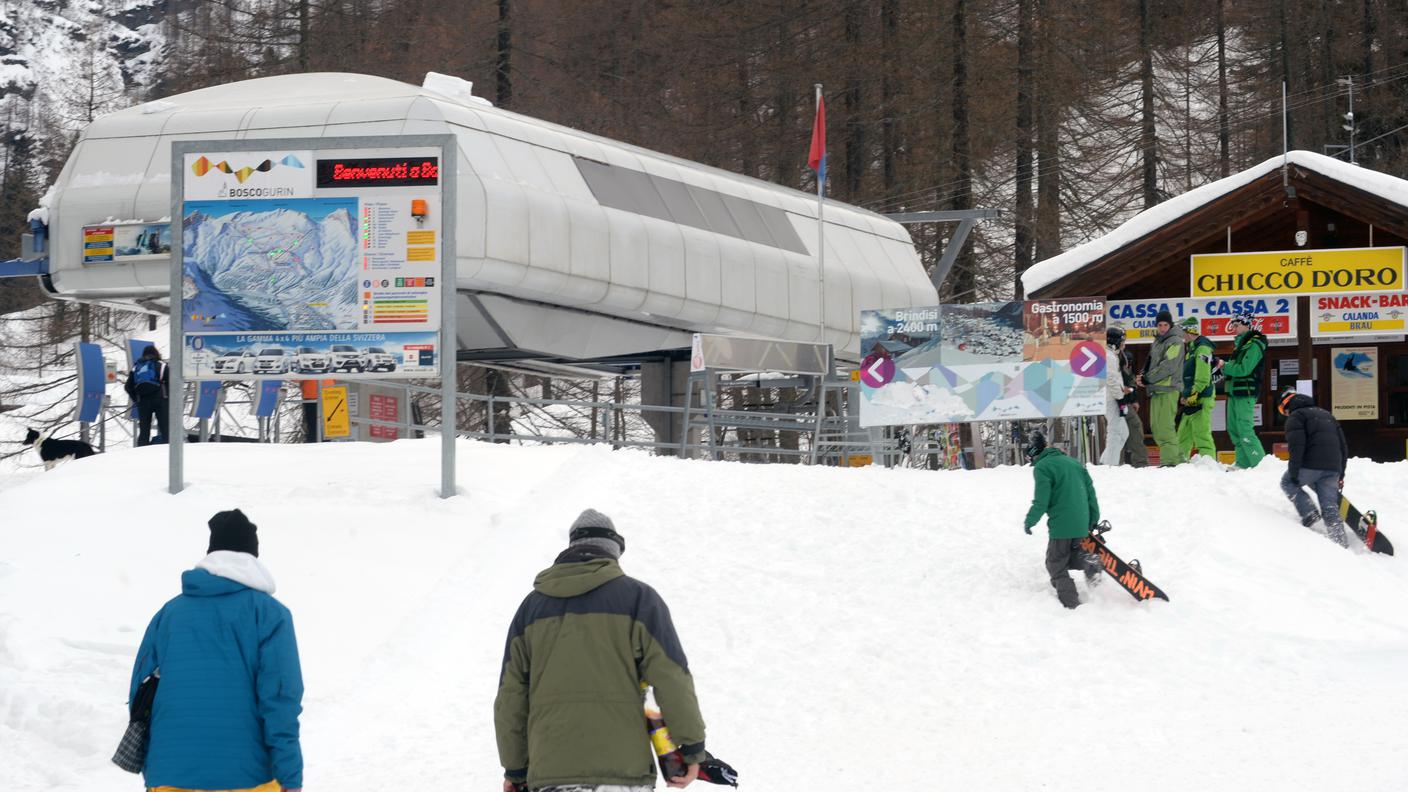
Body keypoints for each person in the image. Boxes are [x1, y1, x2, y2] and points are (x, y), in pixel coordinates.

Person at [495, 509, 706, 792]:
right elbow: (671, 676)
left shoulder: (531, 609)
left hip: (552, 774)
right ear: (613, 552)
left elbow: (511, 695)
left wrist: (515, 769)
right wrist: (691, 747)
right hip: (624, 773)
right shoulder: (639, 599)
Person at [127, 509, 304, 792]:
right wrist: (290, 776)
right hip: (247, 776)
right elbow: (280, 699)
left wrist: (155, 764)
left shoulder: (168, 615)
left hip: (171, 773)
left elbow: (141, 691)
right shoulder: (270, 614)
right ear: (252, 559)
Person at [1022, 434, 1102, 609]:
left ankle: (1071, 605)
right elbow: (1090, 494)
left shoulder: (1043, 467)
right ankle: (1089, 563)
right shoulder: (1074, 463)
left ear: (1035, 452)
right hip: (1082, 521)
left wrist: (1030, 521)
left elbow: (1041, 501)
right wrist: (1094, 518)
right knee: (1073, 554)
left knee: (1055, 564)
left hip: (1061, 525)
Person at [1277, 390, 1351, 547]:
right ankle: (1340, 544)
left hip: (1309, 465)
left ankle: (1309, 513)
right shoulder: (1328, 415)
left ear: (1287, 405)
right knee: (1330, 507)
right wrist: (1341, 473)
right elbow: (1343, 446)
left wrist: (1294, 471)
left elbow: (1296, 447)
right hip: (1333, 468)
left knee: (1287, 483)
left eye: (1285, 411)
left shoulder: (1296, 417)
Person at [1135, 310, 1185, 466]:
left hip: (1168, 389)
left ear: (1170, 325)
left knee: (1165, 426)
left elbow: (1168, 366)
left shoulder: (1175, 341)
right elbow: (1150, 362)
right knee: (1156, 428)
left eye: (1165, 325)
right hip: (1156, 389)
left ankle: (1171, 462)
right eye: (1159, 325)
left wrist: (1147, 378)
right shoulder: (1158, 342)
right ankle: (1176, 460)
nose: (1162, 328)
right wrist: (1142, 376)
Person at [1218, 312, 1268, 468]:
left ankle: (1260, 465)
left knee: (1244, 429)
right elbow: (1234, 369)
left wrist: (1224, 365)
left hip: (1245, 392)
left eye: (1236, 325)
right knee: (1234, 429)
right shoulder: (1240, 345)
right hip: (1234, 393)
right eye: (1233, 325)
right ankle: (1242, 463)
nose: (1233, 328)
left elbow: (1244, 369)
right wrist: (1221, 367)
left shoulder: (1255, 344)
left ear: (1247, 325)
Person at [1176, 316, 1217, 461]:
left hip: (1200, 397)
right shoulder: (1191, 349)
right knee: (1183, 434)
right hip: (1190, 397)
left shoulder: (1202, 348)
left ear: (1188, 332)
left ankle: (1209, 464)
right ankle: (1179, 463)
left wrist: (1194, 394)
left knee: (1201, 434)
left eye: (1181, 333)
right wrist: (1184, 394)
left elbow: (1203, 375)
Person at [1099, 327, 1133, 465]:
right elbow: (1111, 379)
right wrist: (1120, 396)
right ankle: (1110, 465)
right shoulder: (1108, 356)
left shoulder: (1112, 355)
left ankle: (1105, 461)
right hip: (1111, 398)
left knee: (1124, 432)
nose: (1123, 344)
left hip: (1113, 396)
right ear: (1115, 341)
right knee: (1114, 432)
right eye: (1122, 341)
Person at [124, 344, 170, 446]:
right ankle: (167, 452)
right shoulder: (161, 365)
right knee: (165, 429)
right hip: (161, 400)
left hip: (143, 402)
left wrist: (136, 399)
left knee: (144, 431)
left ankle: (141, 453)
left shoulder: (136, 367)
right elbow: (172, 383)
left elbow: (128, 387)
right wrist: (167, 398)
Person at [1118, 342, 1149, 467]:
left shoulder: (1122, 357)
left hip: (1124, 402)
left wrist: (1133, 399)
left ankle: (1117, 463)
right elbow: (1126, 383)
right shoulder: (1114, 358)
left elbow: (1130, 382)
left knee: (1121, 431)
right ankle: (1140, 462)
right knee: (1133, 428)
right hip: (1120, 401)